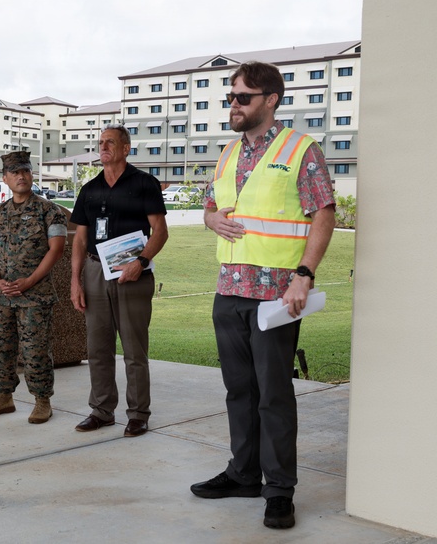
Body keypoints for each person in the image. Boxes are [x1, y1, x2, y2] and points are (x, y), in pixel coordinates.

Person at [191, 61, 336, 530]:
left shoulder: (301, 150)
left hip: (277, 295)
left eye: (243, 98)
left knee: (273, 394)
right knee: (239, 390)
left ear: (270, 100)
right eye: (230, 98)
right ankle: (242, 474)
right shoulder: (228, 153)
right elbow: (212, 206)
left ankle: (279, 490)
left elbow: (323, 214)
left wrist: (304, 275)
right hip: (229, 288)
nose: (234, 105)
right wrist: (211, 219)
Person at [70, 123, 168, 437]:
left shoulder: (144, 184)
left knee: (134, 350)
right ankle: (101, 411)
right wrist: (75, 279)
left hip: (133, 275)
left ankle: (138, 414)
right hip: (97, 272)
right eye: (101, 143)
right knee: (97, 348)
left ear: (126, 148)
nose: (104, 148)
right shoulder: (90, 188)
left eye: (110, 143)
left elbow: (161, 232)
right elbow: (80, 240)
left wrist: (141, 262)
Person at [0, 151, 67, 424]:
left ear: (31, 174)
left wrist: (29, 281)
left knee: (35, 350)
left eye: (25, 171)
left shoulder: (49, 211)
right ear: (5, 179)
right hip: (1, 297)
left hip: (34, 297)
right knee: (2, 348)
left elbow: (56, 250)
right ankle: (4, 396)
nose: (21, 176)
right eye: (14, 173)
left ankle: (42, 401)